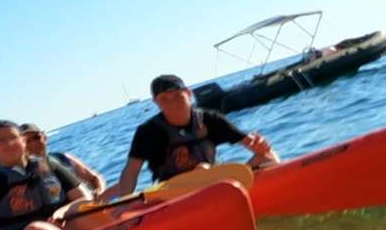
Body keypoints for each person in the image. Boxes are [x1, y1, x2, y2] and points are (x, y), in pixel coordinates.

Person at [98, 74, 281, 201]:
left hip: (213, 182)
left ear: (188, 94)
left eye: (178, 96)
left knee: (268, 157)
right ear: (156, 102)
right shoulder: (148, 132)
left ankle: (271, 193)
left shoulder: (210, 120)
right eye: (165, 99)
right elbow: (130, 173)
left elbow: (254, 146)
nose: (173, 103)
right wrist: (126, 204)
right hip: (173, 194)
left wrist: (261, 147)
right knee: (201, 169)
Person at [19, 123, 107, 195]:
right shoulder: (24, 173)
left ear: (45, 137)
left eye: (36, 137)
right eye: (27, 141)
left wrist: (100, 193)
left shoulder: (63, 158)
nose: (33, 143)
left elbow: (95, 178)